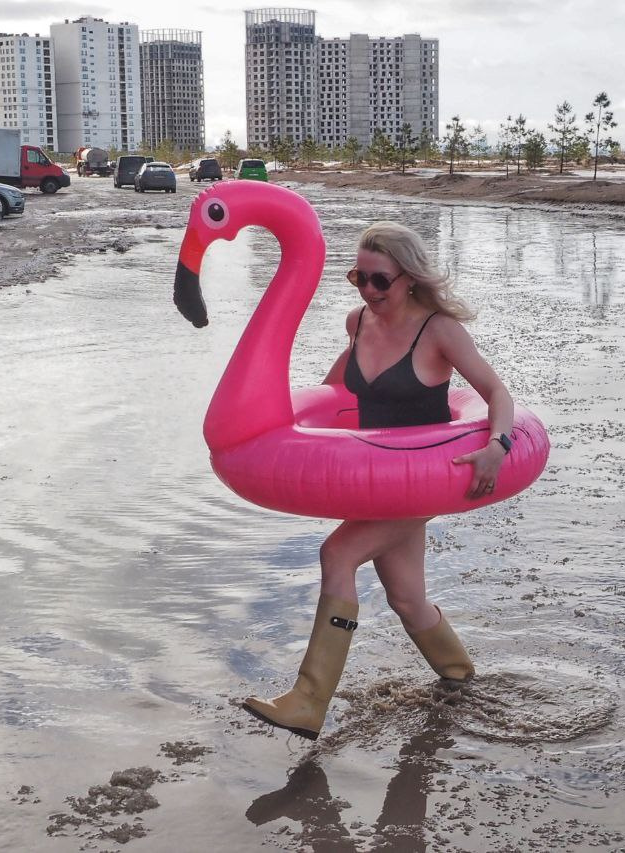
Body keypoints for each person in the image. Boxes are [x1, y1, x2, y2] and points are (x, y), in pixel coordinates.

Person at [242, 221, 516, 741]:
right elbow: (334, 391)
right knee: (407, 597)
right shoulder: (358, 321)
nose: (368, 290)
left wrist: (497, 448)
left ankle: (308, 699)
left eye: (380, 280)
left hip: (423, 478)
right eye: (358, 278)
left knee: (337, 554)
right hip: (375, 478)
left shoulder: (438, 331)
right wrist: (289, 429)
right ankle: (462, 678)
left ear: (409, 278)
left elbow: (496, 393)